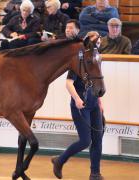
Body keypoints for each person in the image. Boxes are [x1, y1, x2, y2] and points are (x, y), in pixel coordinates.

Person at [52, 32, 105, 180]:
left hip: (94, 104)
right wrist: (76, 99)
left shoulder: (96, 59)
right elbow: (68, 83)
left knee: (98, 139)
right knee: (85, 141)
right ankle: (59, 160)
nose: (98, 44)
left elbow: (96, 84)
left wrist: (100, 102)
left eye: (99, 41)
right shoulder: (78, 60)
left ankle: (95, 173)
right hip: (80, 105)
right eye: (96, 41)